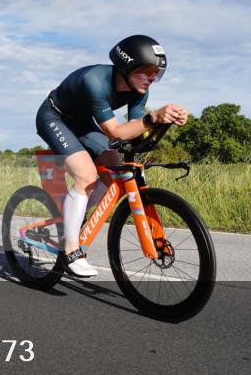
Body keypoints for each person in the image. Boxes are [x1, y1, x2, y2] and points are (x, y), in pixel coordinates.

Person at [35, 35, 189, 278]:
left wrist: (165, 121)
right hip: (54, 117)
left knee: (113, 172)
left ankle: (75, 213)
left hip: (83, 123)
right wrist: (153, 118)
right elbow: (115, 132)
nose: (152, 78)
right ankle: (69, 250)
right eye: (148, 71)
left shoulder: (139, 91)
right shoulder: (94, 81)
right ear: (127, 66)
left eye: (157, 74)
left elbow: (134, 129)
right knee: (86, 176)